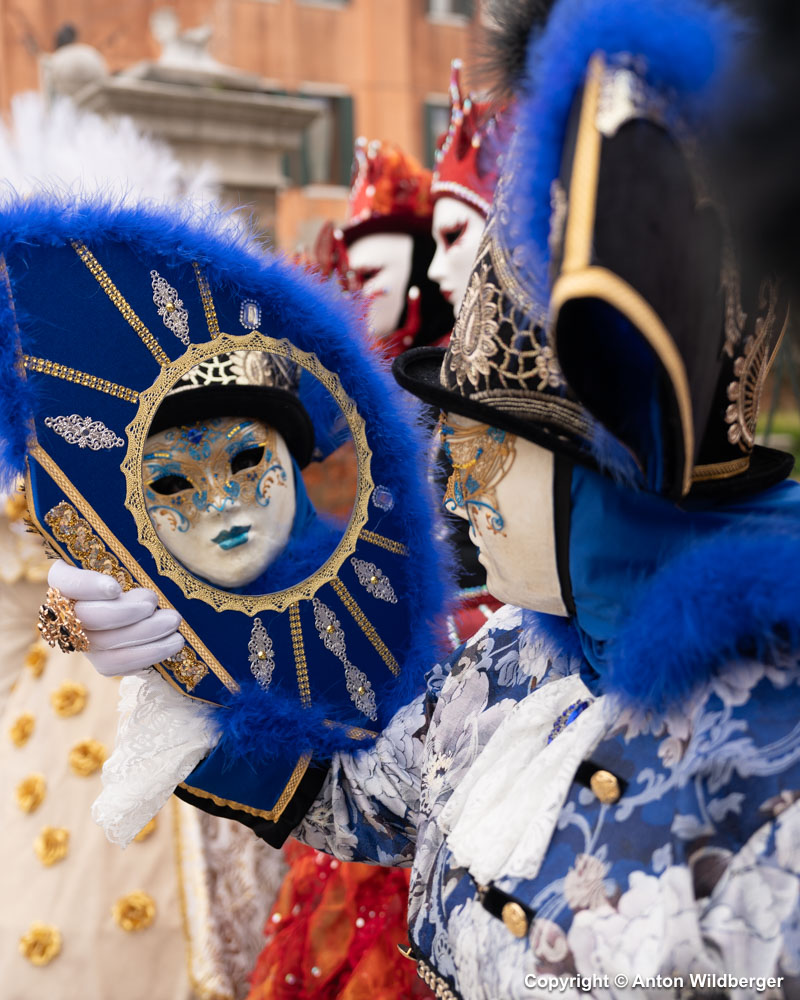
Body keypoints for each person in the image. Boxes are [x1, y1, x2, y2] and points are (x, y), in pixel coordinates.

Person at [35, 0, 800, 995]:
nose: (456, 490)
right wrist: (181, 656)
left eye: (483, 449)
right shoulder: (516, 657)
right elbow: (363, 796)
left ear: (604, 469)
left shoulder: (775, 746)